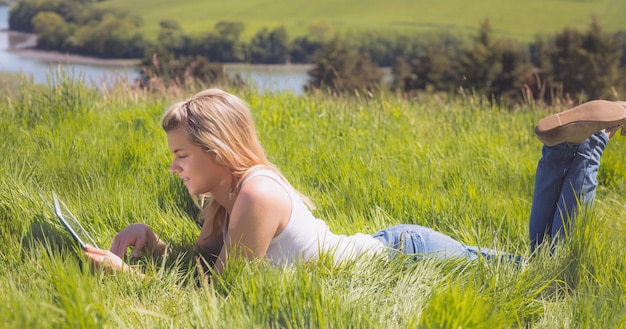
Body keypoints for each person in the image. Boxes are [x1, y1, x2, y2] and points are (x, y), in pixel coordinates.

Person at [83, 89, 626, 274]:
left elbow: (221, 292)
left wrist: (132, 280)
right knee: (539, 269)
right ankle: (566, 152)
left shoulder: (254, 194)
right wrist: (153, 246)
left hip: (408, 255)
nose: (173, 167)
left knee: (547, 275)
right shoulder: (227, 198)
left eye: (180, 155)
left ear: (217, 150)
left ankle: (587, 146)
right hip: (395, 245)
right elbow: (207, 265)